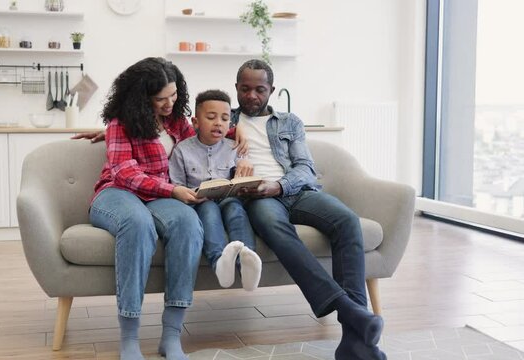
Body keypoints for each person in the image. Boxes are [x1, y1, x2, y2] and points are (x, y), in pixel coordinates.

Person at [232, 59, 386, 360]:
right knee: (274, 227)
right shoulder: (224, 120)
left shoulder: (290, 122)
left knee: (347, 221)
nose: (252, 96)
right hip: (257, 197)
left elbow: (305, 168)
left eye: (259, 89)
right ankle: (353, 313)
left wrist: (278, 185)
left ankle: (355, 340)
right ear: (235, 88)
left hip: (295, 191)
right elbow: (178, 125)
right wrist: (112, 128)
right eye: (245, 89)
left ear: (272, 90)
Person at [89, 57, 204, 360]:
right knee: (138, 224)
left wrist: (237, 133)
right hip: (117, 193)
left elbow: (204, 140)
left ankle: (171, 337)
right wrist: (172, 190)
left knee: (188, 224)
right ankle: (129, 339)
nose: (169, 103)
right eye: (160, 98)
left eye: (174, 95)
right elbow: (125, 174)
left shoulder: (176, 121)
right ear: (142, 97)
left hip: (161, 195)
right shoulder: (120, 124)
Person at [168, 89, 262, 291]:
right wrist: (188, 194)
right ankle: (219, 261)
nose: (218, 122)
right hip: (200, 203)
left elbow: (244, 177)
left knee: (236, 211)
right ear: (195, 122)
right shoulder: (182, 150)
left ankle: (247, 260)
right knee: (209, 212)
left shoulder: (234, 147)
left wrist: (245, 172)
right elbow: (176, 184)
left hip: (229, 199)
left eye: (224, 118)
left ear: (230, 124)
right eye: (211, 117)